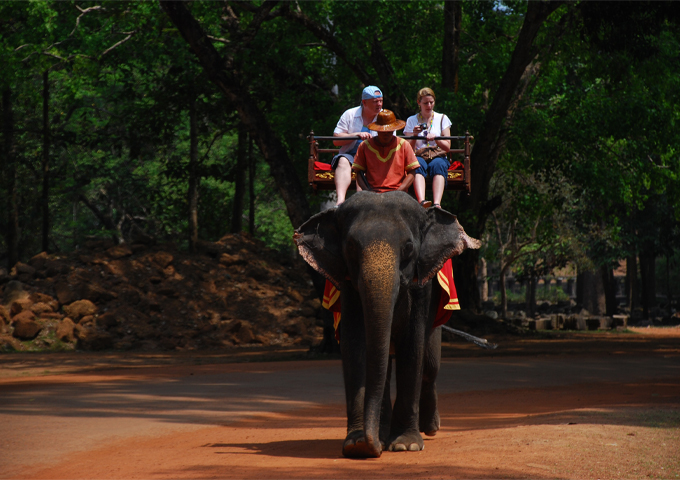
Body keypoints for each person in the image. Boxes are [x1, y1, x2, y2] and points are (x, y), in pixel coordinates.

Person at [331, 86, 384, 205]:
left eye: (381, 101)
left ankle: (361, 203)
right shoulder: (349, 114)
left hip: (374, 158)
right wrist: (356, 135)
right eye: (375, 101)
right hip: (350, 156)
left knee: (366, 167)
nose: (379, 104)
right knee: (343, 160)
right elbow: (336, 140)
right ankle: (340, 202)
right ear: (364, 102)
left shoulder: (385, 117)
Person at [404, 88, 453, 208]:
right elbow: (408, 149)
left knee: (439, 165)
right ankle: (422, 201)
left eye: (431, 102)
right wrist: (415, 135)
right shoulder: (411, 120)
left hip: (438, 155)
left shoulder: (442, 118)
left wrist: (436, 138)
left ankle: (437, 203)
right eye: (425, 103)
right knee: (417, 164)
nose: (429, 105)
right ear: (418, 102)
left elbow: (447, 147)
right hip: (419, 155)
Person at [351, 109, 419, 193]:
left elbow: (412, 172)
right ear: (377, 130)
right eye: (383, 131)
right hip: (373, 192)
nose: (386, 134)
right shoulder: (364, 146)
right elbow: (358, 172)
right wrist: (367, 191)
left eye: (389, 131)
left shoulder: (404, 144)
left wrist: (400, 191)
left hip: (398, 193)